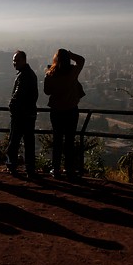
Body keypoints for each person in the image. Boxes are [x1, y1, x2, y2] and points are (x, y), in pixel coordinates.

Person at [43, 49, 85, 180]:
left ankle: (56, 168)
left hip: (56, 111)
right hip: (71, 110)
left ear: (56, 59)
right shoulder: (73, 72)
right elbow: (82, 60)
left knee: (57, 140)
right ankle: (69, 168)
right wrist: (71, 54)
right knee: (69, 140)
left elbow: (47, 92)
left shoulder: (50, 74)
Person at [6, 50, 38, 178]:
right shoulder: (30, 74)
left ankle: (11, 165)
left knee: (14, 141)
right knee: (29, 143)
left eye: (17, 60)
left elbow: (18, 95)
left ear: (24, 60)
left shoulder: (23, 76)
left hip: (20, 115)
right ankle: (30, 169)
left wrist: (12, 106)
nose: (14, 63)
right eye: (14, 60)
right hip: (29, 114)